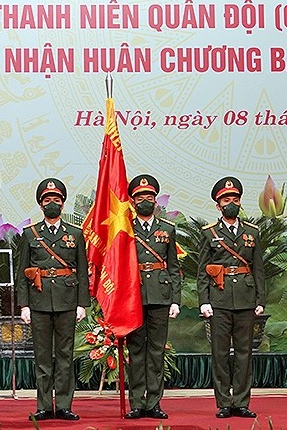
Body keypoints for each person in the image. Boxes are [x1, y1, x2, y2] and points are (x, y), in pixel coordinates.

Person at [17, 178, 89, 422]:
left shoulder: (76, 234)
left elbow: (82, 269)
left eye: (56, 200)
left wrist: (82, 304)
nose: (52, 204)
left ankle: (66, 405)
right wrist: (24, 305)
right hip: (38, 301)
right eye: (47, 200)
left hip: (68, 300)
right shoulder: (30, 235)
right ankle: (45, 406)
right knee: (43, 357)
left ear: (63, 204)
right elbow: (22, 273)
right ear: (40, 204)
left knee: (65, 356)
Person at [197, 177, 265, 419]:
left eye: (235, 200)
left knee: (245, 352)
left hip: (246, 299)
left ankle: (242, 402)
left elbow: (258, 269)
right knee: (220, 353)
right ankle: (224, 401)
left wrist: (260, 300)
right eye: (226, 200)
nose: (231, 203)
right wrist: (204, 301)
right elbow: (202, 271)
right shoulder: (209, 234)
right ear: (218, 205)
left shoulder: (252, 232)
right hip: (219, 299)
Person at [124, 174, 181, 420]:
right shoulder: (125, 229)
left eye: (149, 197)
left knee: (156, 352)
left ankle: (154, 403)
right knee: (136, 351)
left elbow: (173, 266)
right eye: (139, 197)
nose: (144, 200)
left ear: (156, 201)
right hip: (134, 296)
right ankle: (137, 402)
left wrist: (175, 300)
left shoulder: (167, 229)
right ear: (132, 201)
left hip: (160, 294)